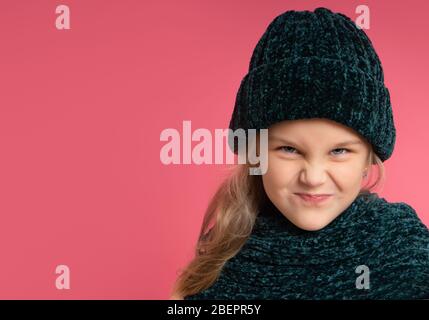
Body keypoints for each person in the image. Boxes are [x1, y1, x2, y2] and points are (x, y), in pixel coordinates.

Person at [170, 7, 429, 300]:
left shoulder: (404, 251)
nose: (313, 178)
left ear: (369, 158)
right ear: (256, 153)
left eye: (339, 150)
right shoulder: (219, 262)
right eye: (289, 149)